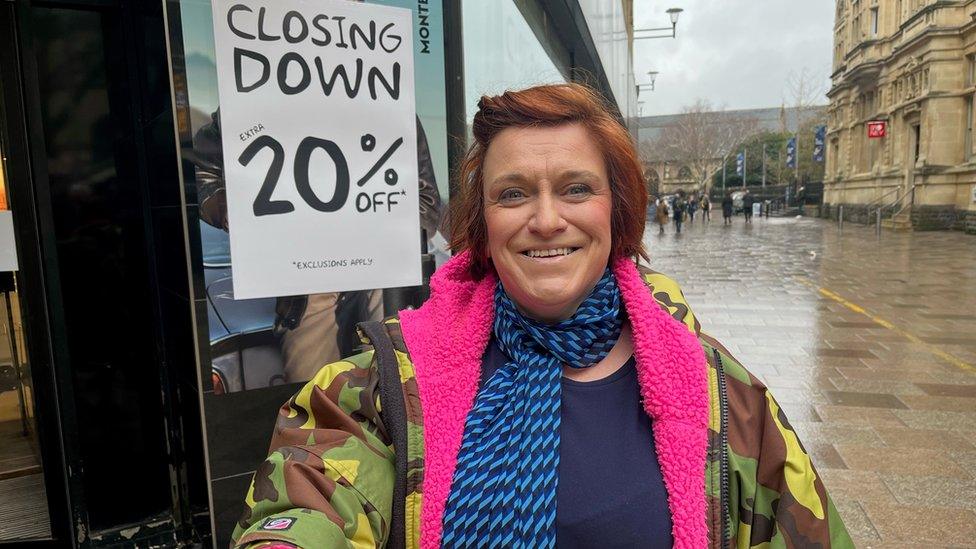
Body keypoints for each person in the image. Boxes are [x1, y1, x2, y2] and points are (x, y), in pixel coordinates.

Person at [231, 84, 852, 548]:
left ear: (618, 210)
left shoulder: (724, 398)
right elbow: (308, 496)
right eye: (514, 192)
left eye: (576, 188)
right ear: (482, 223)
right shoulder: (389, 382)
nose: (547, 219)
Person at [189, 110, 443, 383]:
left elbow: (426, 204)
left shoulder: (387, 102)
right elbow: (204, 171)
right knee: (310, 404)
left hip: (379, 273)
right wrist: (239, 212)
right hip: (306, 282)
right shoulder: (258, 97)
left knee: (393, 393)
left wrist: (376, 231)